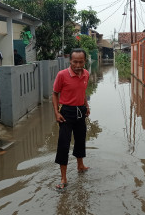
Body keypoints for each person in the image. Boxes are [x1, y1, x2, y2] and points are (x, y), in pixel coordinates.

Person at [52, 48, 90, 190]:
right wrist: (56, 112)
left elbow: (83, 92)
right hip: (66, 113)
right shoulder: (62, 75)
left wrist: (86, 106)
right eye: (75, 62)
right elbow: (55, 94)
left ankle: (80, 166)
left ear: (85, 61)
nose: (78, 65)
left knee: (80, 140)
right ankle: (63, 177)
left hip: (81, 111)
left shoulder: (86, 74)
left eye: (81, 62)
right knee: (64, 144)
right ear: (70, 61)